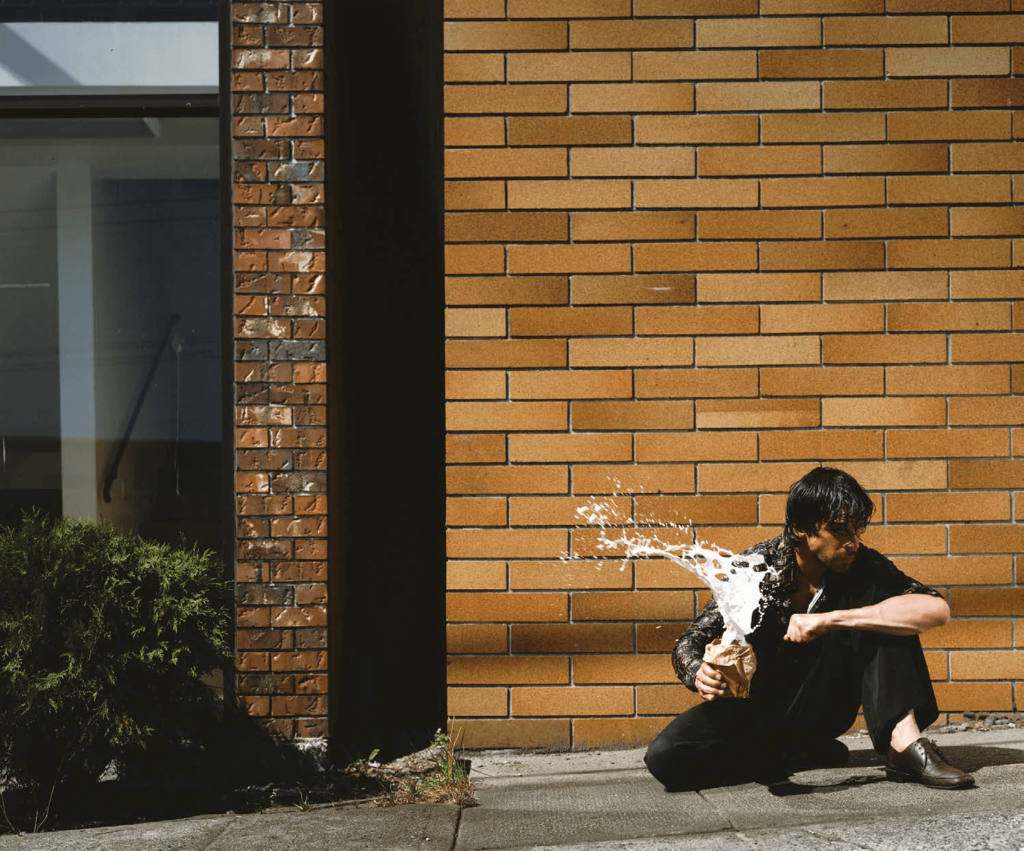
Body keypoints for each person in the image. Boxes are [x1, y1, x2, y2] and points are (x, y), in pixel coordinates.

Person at [644, 466, 974, 791]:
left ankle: (905, 745)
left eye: (857, 530)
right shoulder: (756, 569)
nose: (853, 543)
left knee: (883, 609)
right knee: (665, 758)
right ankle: (785, 753)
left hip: (825, 701)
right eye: (840, 530)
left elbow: (936, 608)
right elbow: (689, 642)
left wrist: (831, 619)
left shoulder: (864, 567)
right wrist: (699, 672)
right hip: (759, 708)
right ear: (802, 527)